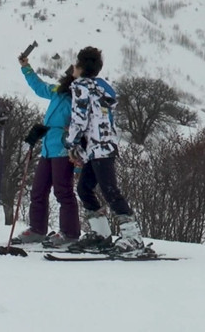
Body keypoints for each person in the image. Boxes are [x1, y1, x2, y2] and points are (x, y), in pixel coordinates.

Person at [63, 46, 146, 253]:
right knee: (84, 189)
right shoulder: (101, 87)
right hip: (102, 146)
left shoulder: (80, 86)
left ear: (80, 66)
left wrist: (71, 143)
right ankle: (101, 234)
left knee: (110, 191)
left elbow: (79, 119)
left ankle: (133, 237)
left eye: (76, 63)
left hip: (98, 149)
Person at [11, 56, 81, 247]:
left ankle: (70, 233)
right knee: (38, 190)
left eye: (73, 70)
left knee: (63, 191)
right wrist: (26, 68)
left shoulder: (78, 98)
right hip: (48, 148)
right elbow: (40, 87)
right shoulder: (58, 91)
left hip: (63, 149)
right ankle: (37, 230)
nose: (69, 72)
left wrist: (76, 154)